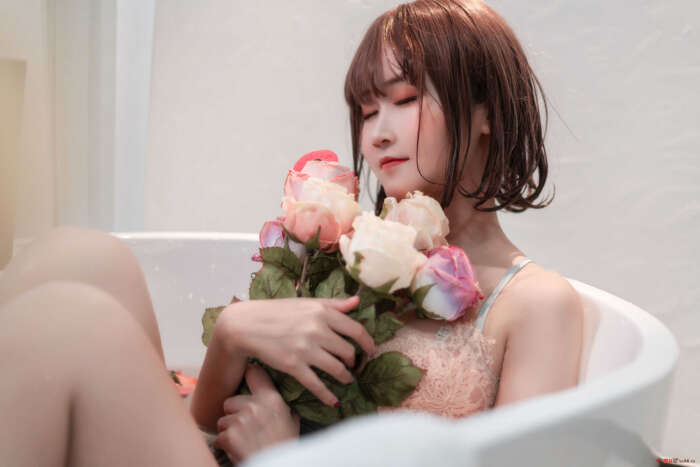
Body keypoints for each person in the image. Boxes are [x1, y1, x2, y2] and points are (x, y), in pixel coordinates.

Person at [0, 0, 583, 465]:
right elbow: (207, 426)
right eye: (366, 111)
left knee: (77, 321)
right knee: (80, 257)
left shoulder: (536, 305)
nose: (376, 134)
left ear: (486, 111)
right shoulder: (344, 249)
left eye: (404, 99)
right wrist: (230, 341)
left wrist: (286, 460)